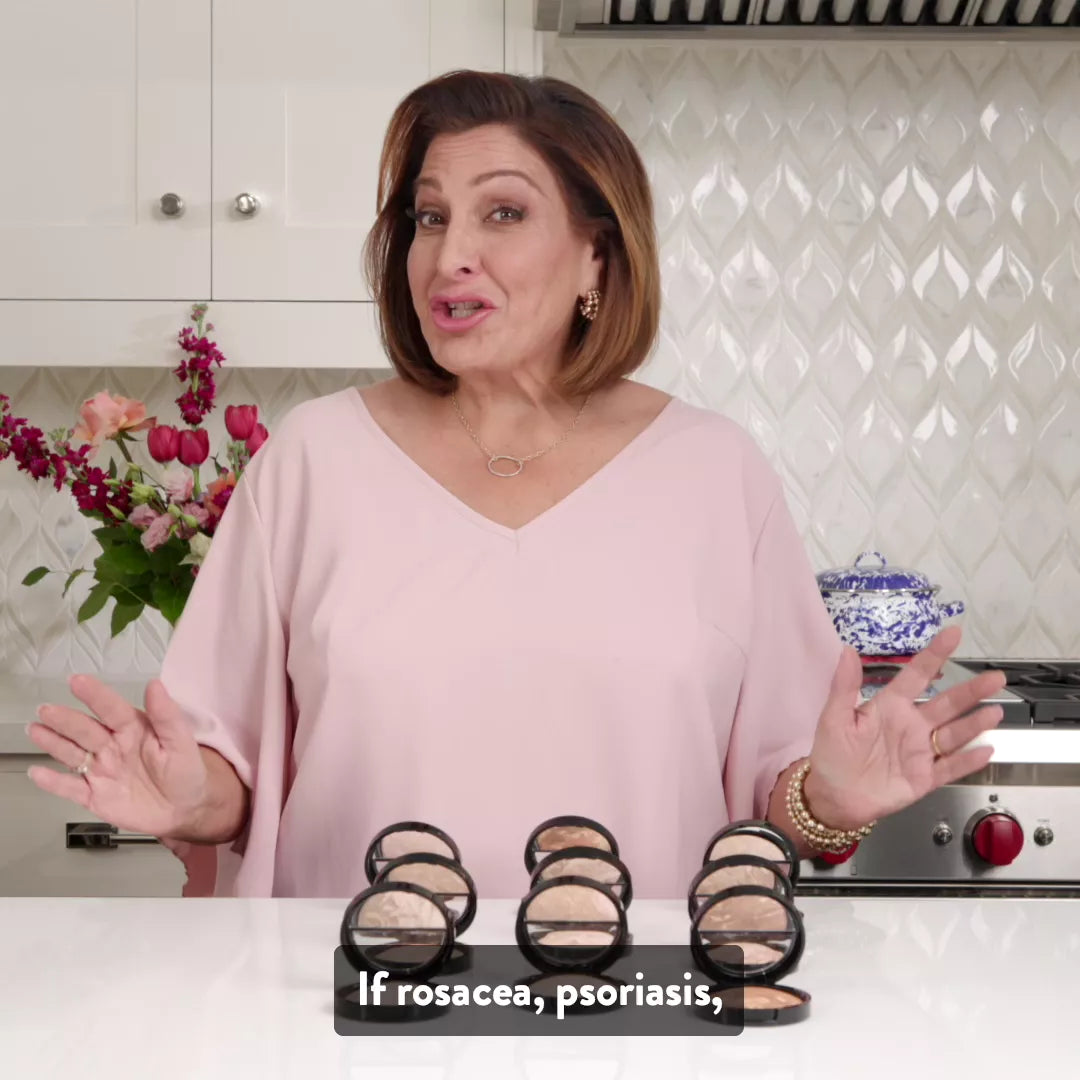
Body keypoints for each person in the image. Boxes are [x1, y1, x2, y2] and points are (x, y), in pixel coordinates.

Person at [25, 71, 1005, 899]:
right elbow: (227, 774)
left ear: (596, 251)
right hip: (354, 1013)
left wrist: (827, 801)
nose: (451, 254)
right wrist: (183, 797)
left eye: (502, 212)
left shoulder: (717, 473)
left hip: (638, 1015)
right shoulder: (311, 461)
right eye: (429, 216)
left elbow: (779, 802)